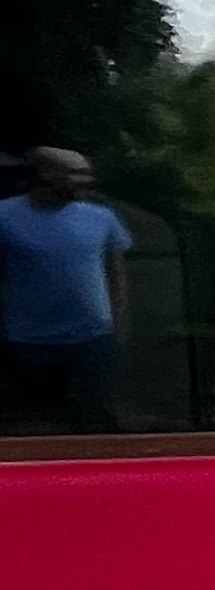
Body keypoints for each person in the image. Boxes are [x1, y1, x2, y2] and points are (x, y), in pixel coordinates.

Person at [0, 143, 131, 432]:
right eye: (77, 173)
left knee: (95, 421)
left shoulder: (102, 218)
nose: (87, 181)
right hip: (26, 342)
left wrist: (118, 330)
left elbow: (116, 276)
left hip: (92, 340)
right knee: (34, 425)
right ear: (45, 174)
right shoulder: (4, 217)